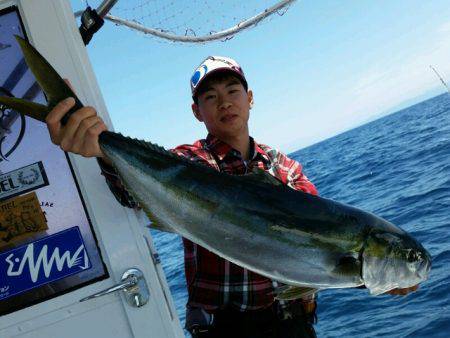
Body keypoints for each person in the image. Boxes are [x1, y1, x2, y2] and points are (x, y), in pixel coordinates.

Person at [46, 56, 419, 338]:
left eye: (232, 91)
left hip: (293, 325)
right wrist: (101, 151)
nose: (224, 103)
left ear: (250, 98)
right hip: (222, 328)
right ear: (197, 111)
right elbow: (132, 194)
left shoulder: (285, 169)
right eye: (210, 96)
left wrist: (384, 276)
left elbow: (320, 241)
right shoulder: (190, 163)